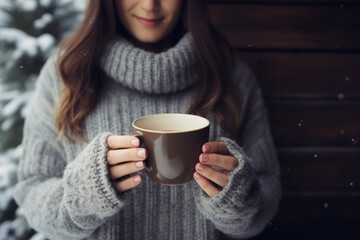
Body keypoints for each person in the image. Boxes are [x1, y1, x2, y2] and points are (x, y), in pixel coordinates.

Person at [13, 0, 281, 239]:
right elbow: (31, 193)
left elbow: (262, 208)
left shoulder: (234, 78)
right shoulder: (66, 74)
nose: (150, 5)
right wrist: (83, 195)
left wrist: (238, 199)